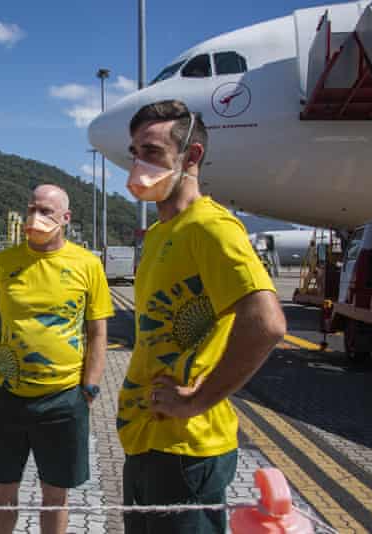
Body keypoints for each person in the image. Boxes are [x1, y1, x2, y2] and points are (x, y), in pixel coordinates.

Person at [120, 100, 286, 533]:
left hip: (187, 452)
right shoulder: (159, 234)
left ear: (191, 156)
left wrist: (196, 400)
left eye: (152, 152)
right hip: (147, 439)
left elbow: (266, 323)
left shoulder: (211, 227)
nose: (139, 164)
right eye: (135, 151)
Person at [0, 184, 114, 534]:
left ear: (65, 219)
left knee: (55, 495)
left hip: (63, 399)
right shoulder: (4, 263)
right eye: (31, 209)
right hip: (5, 397)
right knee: (3, 492)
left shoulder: (87, 264)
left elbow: (98, 332)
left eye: (46, 212)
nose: (35, 218)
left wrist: (90, 388)